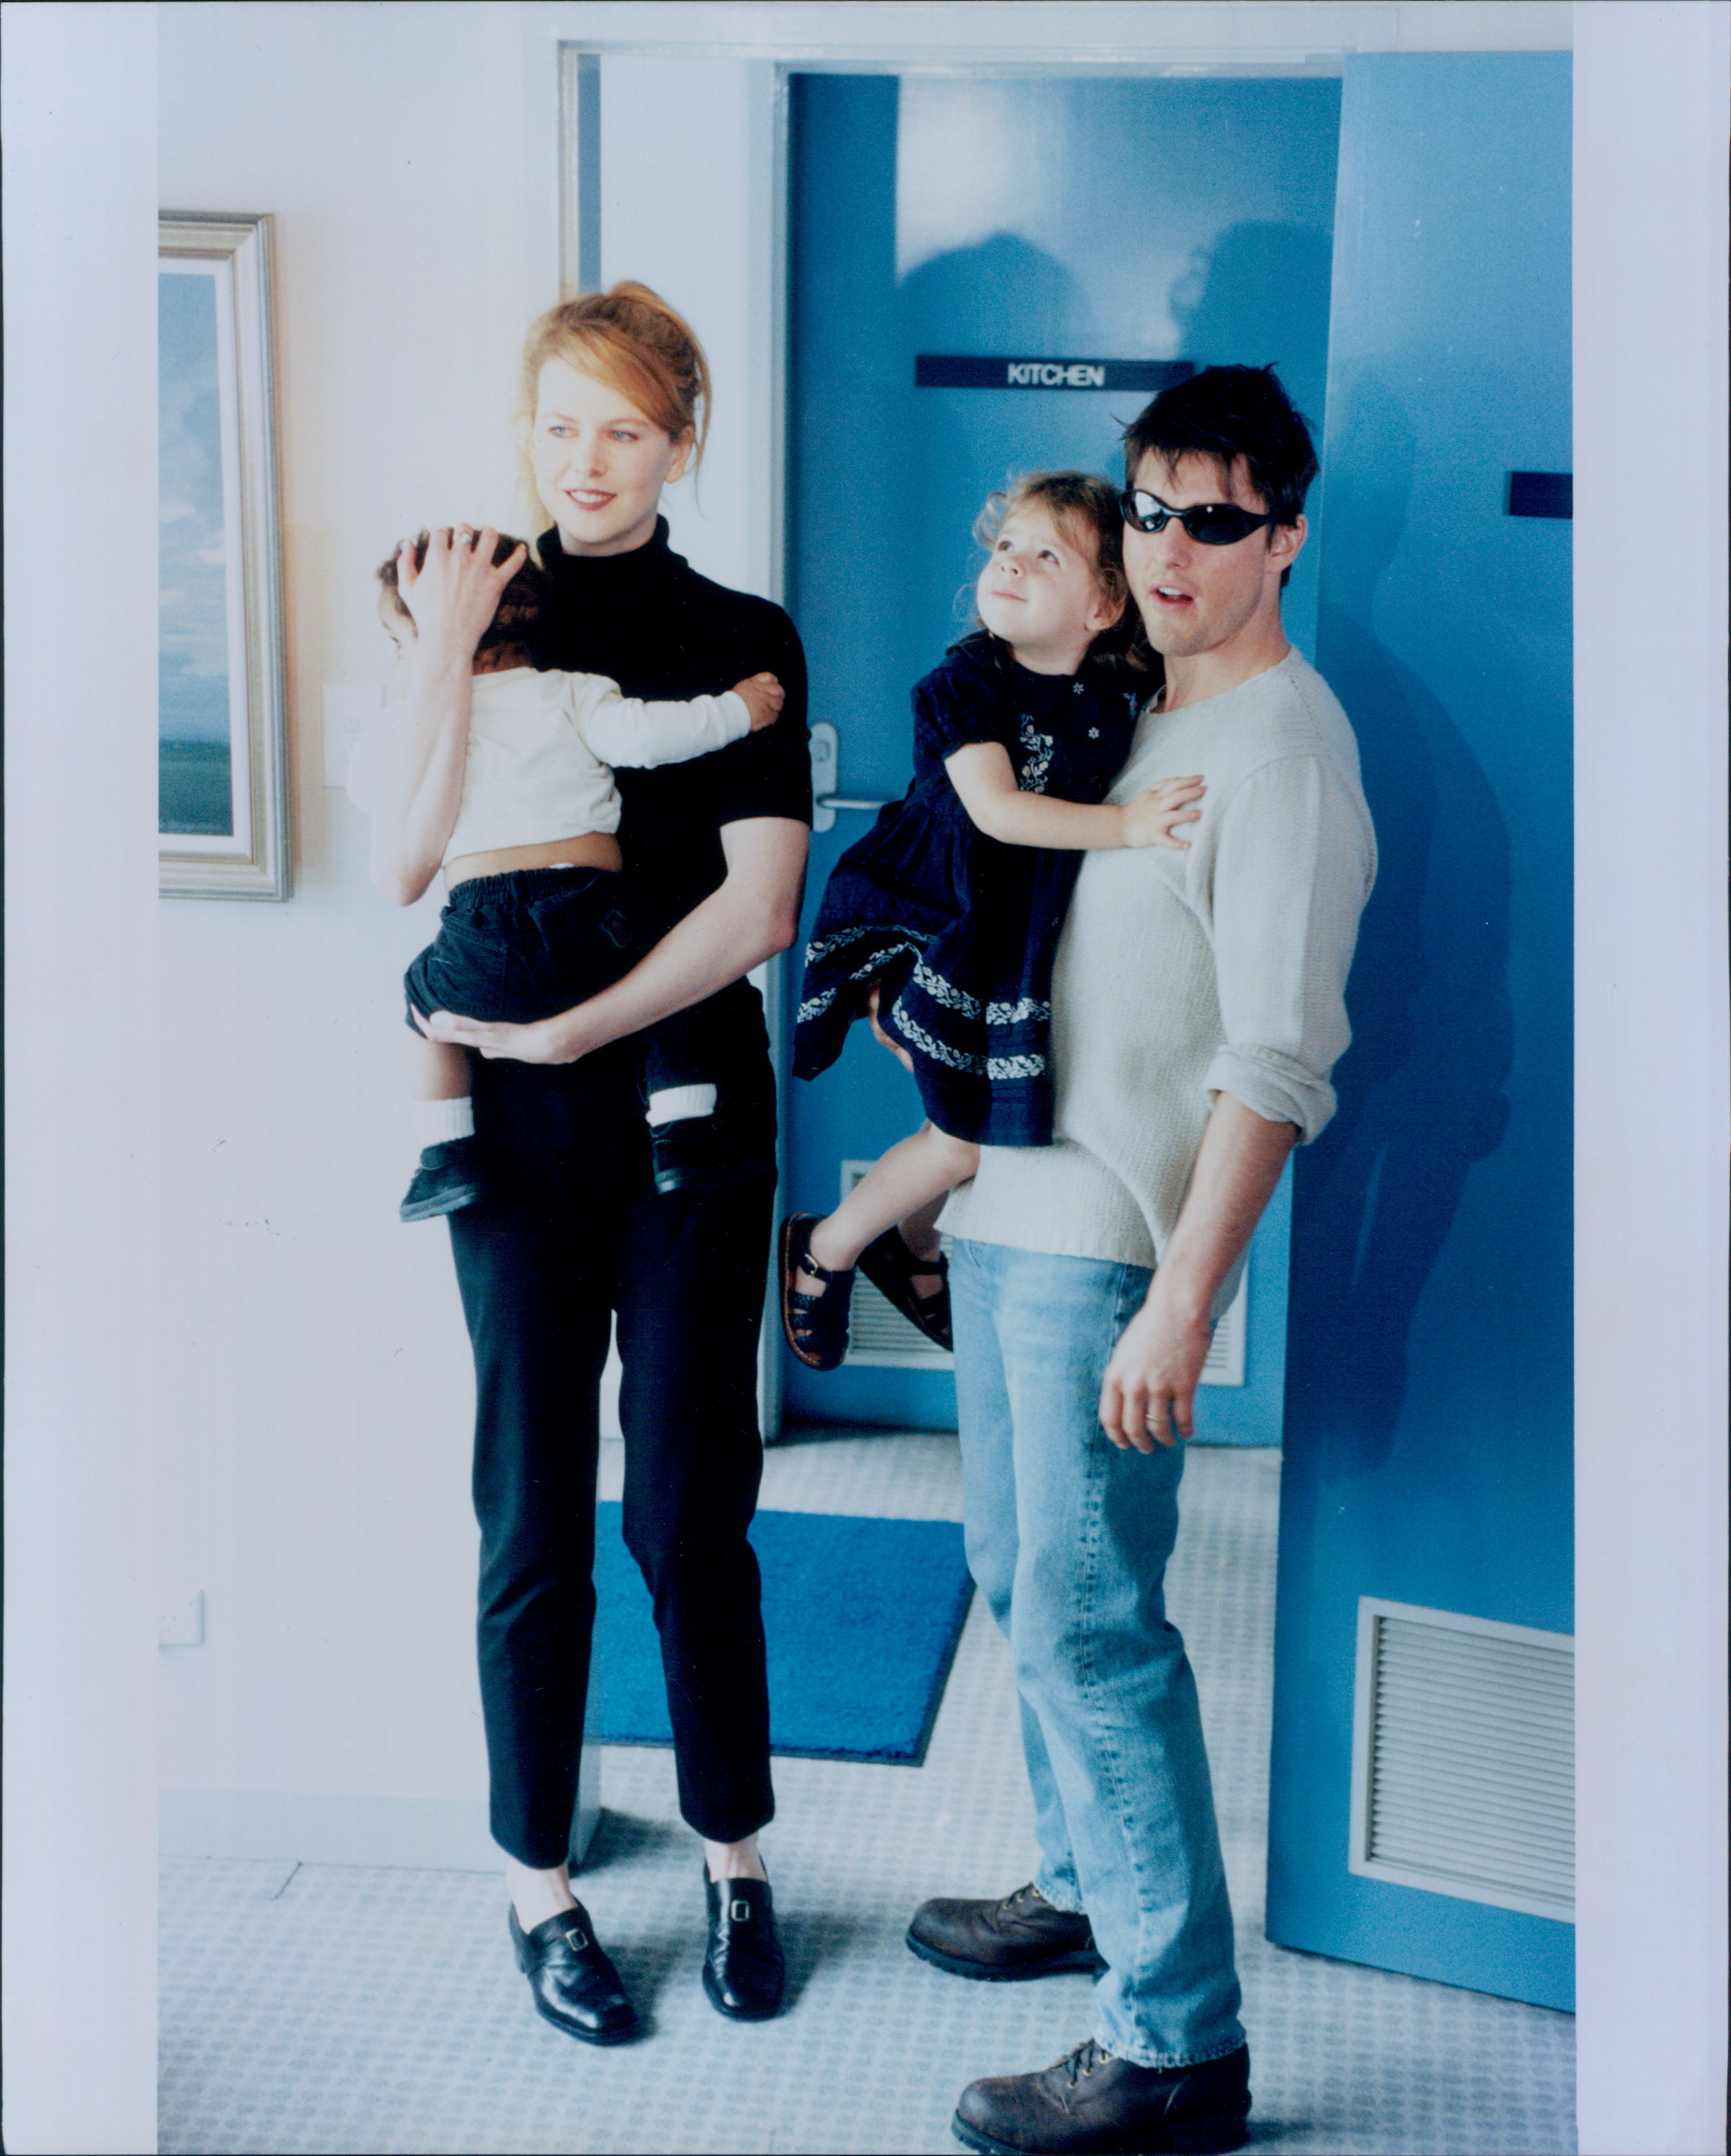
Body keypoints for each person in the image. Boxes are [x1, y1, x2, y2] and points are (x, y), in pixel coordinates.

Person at [917, 366, 1376, 2156]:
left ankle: (1177, 2042)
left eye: (1216, 518)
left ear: (1286, 536)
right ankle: (1076, 1879)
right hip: (1015, 1210)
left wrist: (1185, 1295)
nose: (1172, 549)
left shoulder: (1284, 749)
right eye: (1150, 509)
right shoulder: (1131, 716)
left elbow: (1274, 1057)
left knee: (1097, 1623)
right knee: (1018, 1580)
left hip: (1111, 1247)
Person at [387, 282, 811, 2042]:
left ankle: (735, 1857)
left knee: (689, 1505)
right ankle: (539, 1884)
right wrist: (435, 643)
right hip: (514, 1133)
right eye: (561, 424)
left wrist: (579, 1026)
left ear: (681, 442)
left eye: (625, 428)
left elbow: (763, 907)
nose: (588, 461)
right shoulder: (466, 604)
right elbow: (404, 860)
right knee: (530, 1506)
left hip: (687, 1115)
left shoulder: (739, 627)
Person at [780, 473, 1204, 1370]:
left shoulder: (1111, 694)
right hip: (923, 916)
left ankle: (912, 1248)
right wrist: (1127, 829)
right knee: (965, 1134)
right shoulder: (962, 681)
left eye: (1042, 555)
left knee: (987, 1111)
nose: (1008, 563)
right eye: (1003, 547)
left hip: (1001, 934)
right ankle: (828, 1246)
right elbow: (997, 812)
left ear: (1101, 603)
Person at [355, 530, 783, 1221]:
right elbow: (650, 738)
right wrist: (737, 708)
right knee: (670, 969)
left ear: (439, 637)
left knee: (425, 1007)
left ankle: (444, 1156)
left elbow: (371, 793)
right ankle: (681, 1131)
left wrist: (413, 704)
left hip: (483, 931)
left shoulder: (408, 726)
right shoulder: (571, 693)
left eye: (401, 644)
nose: (400, 663)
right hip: (594, 912)